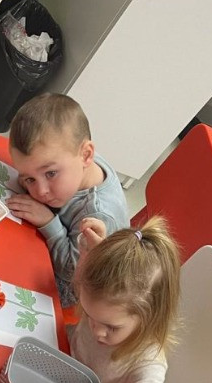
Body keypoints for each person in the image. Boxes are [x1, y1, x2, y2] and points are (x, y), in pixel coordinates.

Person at [52, 216, 180, 383]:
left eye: (111, 327)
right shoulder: (105, 301)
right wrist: (90, 250)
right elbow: (80, 284)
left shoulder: (147, 359)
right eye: (89, 316)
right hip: (59, 353)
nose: (97, 331)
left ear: (149, 318)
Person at [8, 93, 131, 308]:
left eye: (50, 174)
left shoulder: (99, 214)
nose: (40, 191)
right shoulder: (71, 160)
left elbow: (71, 271)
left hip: (75, 288)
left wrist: (48, 222)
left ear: (86, 155)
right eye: (30, 178)